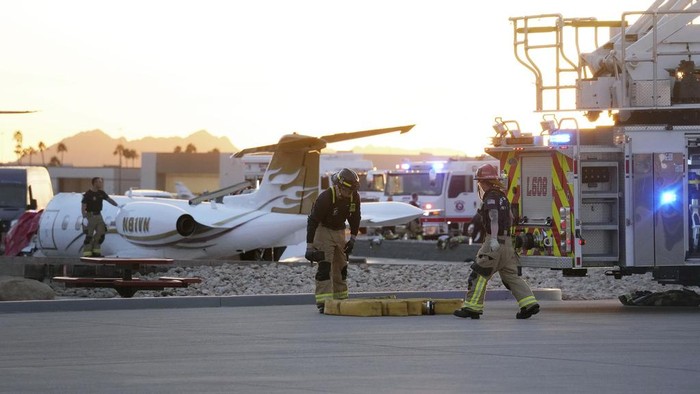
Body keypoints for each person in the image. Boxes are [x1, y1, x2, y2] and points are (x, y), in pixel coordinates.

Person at [454, 163, 540, 319]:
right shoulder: (502, 196)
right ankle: (529, 303)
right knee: (511, 276)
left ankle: (472, 307)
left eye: (479, 181)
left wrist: (493, 238)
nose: (479, 184)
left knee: (480, 274)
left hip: (495, 242)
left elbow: (493, 216)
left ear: (483, 182)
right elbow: (511, 218)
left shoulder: (491, 197)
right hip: (508, 244)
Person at [306, 168, 361, 313]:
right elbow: (312, 221)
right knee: (325, 266)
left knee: (341, 266)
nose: (349, 194)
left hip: (340, 231)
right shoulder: (326, 197)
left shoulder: (354, 196)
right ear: (339, 186)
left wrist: (353, 238)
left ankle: (341, 300)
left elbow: (355, 218)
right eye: (347, 191)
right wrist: (309, 247)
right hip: (323, 230)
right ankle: (324, 302)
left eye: (352, 191)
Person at [81, 177, 119, 257]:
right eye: (99, 182)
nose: (101, 184)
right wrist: (84, 217)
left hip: (99, 215)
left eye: (101, 182)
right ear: (94, 183)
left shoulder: (101, 193)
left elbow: (109, 199)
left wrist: (118, 205)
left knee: (101, 234)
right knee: (89, 236)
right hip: (90, 216)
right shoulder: (88, 194)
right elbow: (83, 206)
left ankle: (96, 251)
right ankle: (87, 253)